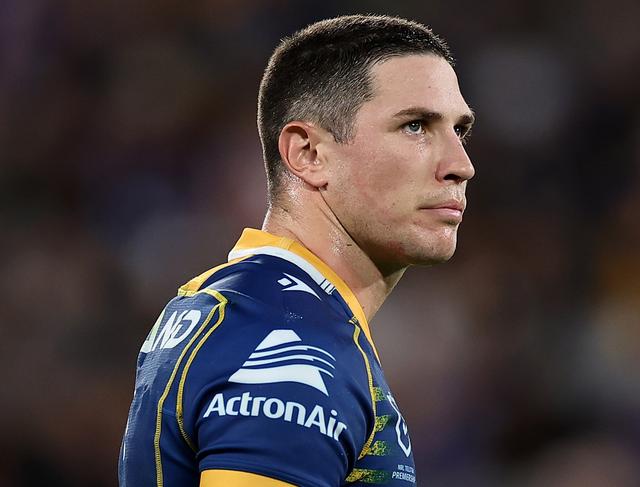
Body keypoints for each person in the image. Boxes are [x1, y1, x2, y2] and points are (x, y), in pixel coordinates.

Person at [119, 13, 475, 487]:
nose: (460, 165)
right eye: (415, 126)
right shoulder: (292, 347)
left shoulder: (248, 305)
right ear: (308, 153)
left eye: (460, 131)